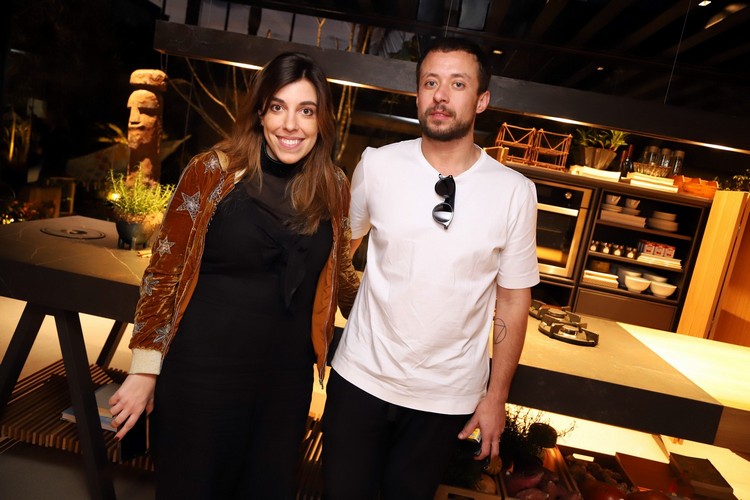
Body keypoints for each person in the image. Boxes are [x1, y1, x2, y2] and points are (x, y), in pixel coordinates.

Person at [108, 52, 360, 499]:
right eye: (278, 107)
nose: (291, 125)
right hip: (201, 373)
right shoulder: (211, 171)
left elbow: (341, 275)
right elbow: (163, 271)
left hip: (284, 385)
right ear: (261, 112)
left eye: (306, 111)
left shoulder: (334, 186)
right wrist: (144, 371)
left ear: (321, 120)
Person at [322, 38, 540, 500]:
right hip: (360, 379)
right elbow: (339, 251)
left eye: (458, 84)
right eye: (430, 83)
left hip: (446, 398)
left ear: (481, 100)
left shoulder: (514, 192)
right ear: (418, 94)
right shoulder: (377, 165)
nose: (441, 95)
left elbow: (513, 298)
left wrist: (496, 396)